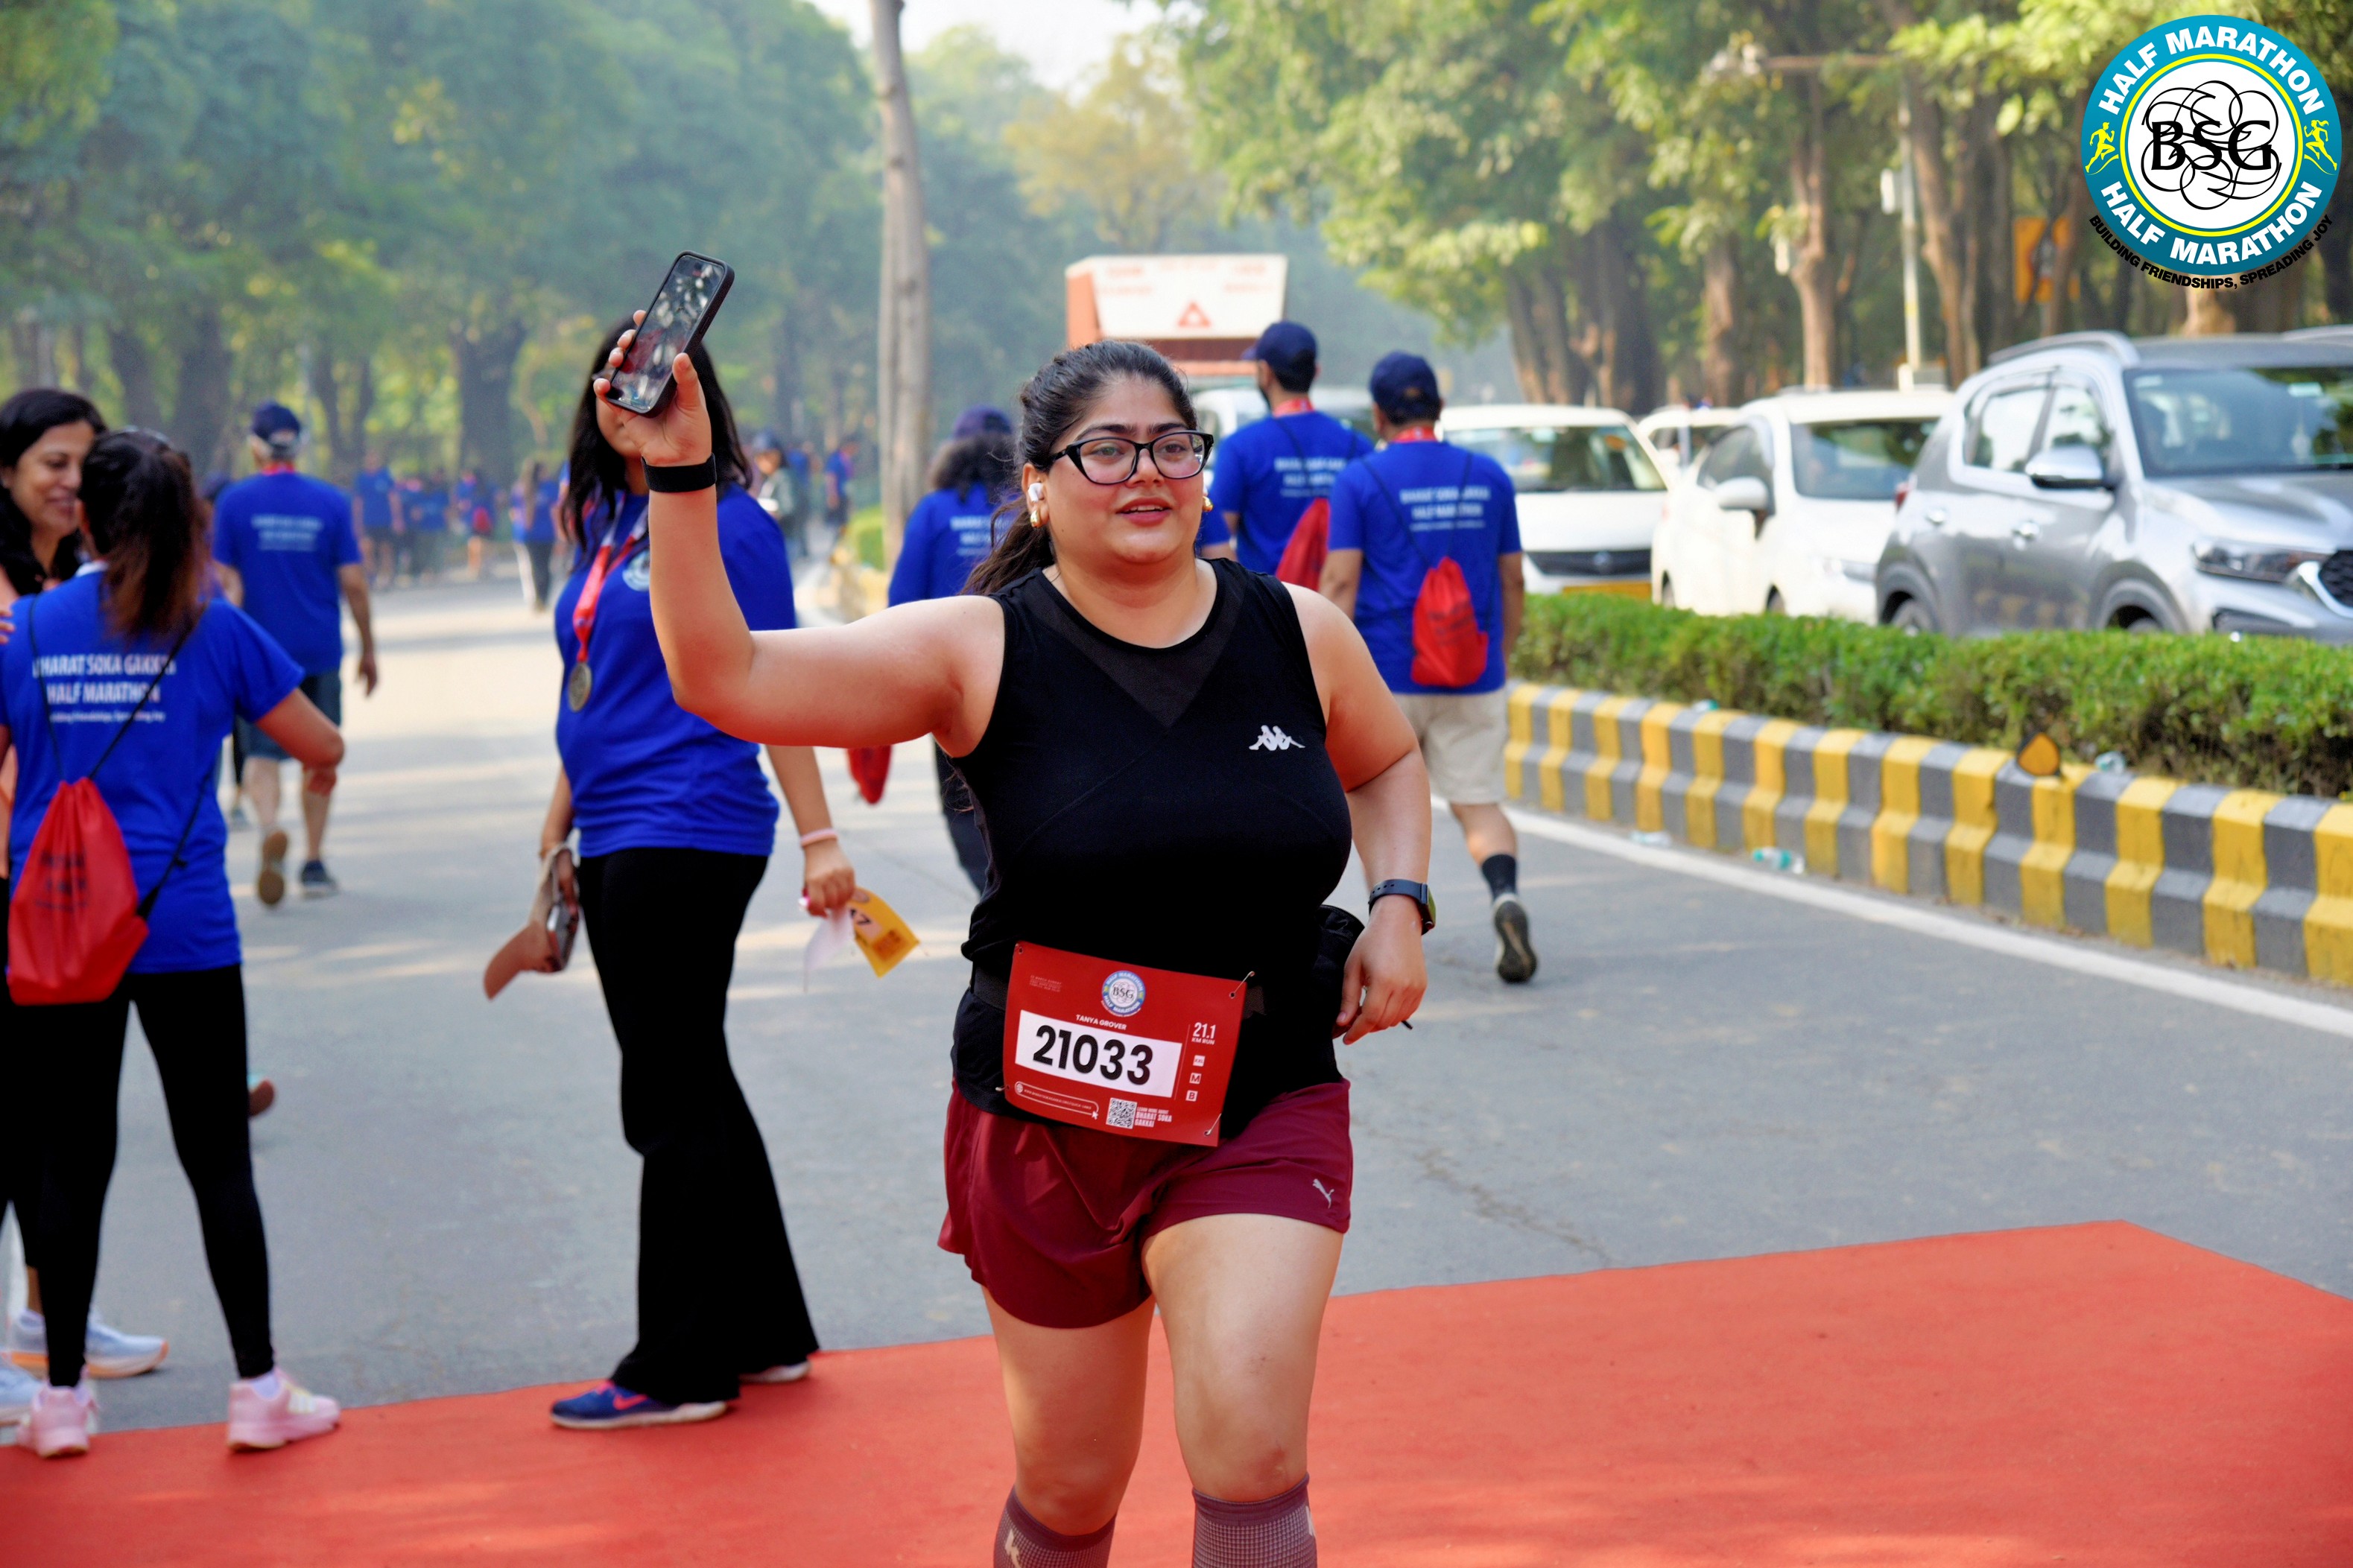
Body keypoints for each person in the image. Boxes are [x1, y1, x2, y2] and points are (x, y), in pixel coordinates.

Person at [624, 329, 1431, 1566]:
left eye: (1171, 445)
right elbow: (722, 676)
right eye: (1105, 450)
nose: (1145, 472)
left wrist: (1399, 903)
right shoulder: (976, 647)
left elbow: (1383, 761)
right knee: (1066, 1488)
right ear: (1040, 486)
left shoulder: (1297, 632)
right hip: (1048, 1121)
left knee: (1251, 1452)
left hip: (1261, 1095)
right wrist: (681, 475)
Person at [4, 428, 347, 1459]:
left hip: (61, 927)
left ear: (88, 519)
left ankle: (60, 1402)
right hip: (183, 924)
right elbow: (320, 742)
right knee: (217, 1161)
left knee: (70, 1163)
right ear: (186, 521)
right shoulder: (214, 627)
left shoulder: (29, 629)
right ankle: (258, 1388)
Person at [539, 323, 853, 1432]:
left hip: (689, 826)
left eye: (655, 378)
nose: (634, 395)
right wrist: (555, 830)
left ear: (690, 395)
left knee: (666, 1094)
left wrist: (821, 840)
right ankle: (762, 1329)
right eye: (619, 377)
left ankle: (679, 1364)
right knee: (695, 1079)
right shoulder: (605, 521)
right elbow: (590, 682)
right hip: (614, 827)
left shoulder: (732, 523)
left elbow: (778, 681)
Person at [0, 390, 172, 1421]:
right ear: (7, 471)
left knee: (44, 1125)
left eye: (85, 464)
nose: (71, 482)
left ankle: (46, 1313)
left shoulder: (58, 581)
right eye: (51, 463)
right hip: (14, 886)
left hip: (54, 891)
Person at [1320, 352, 1536, 984]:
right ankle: (1504, 894)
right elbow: (1514, 577)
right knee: (1479, 802)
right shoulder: (1490, 476)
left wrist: (1323, 671)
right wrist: (1501, 652)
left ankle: (1393, 928)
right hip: (1473, 670)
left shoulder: (1360, 480)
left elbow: (1340, 581)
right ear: (1439, 407)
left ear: (1379, 414)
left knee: (1378, 804)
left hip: (1387, 676)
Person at [211, 403, 379, 904]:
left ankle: (269, 827)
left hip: (258, 655)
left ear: (255, 447)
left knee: (261, 753)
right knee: (317, 755)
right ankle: (314, 861)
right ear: (300, 446)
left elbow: (226, 583)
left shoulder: (234, 503)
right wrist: (369, 649)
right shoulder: (331, 502)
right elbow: (354, 583)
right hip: (318, 651)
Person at [886, 405, 1016, 893]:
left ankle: (994, 894)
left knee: (963, 809)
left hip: (953, 688)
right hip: (1031, 674)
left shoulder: (934, 511)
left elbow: (901, 605)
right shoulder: (1033, 508)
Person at [1197, 323, 1372, 572]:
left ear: (1265, 372)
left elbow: (1219, 541)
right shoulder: (1358, 446)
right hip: (1337, 594)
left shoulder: (1241, 447)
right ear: (1316, 372)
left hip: (1269, 593)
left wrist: (1246, 594)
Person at [514, 460, 560, 612]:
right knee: (544, 567)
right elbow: (555, 511)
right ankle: (542, 598)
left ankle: (538, 599)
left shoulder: (521, 488)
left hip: (530, 534)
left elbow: (514, 513)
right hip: (545, 533)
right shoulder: (548, 488)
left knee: (535, 567)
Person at [352, 452, 397, 588]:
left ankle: (387, 578)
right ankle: (371, 578)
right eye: (369, 459)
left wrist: (397, 518)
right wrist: (357, 522)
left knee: (386, 549)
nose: (371, 461)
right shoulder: (362, 479)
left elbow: (393, 498)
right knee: (367, 550)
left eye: (374, 459)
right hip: (369, 521)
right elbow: (359, 502)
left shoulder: (385, 476)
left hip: (385, 520)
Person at [406, 472, 450, 582]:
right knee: (423, 552)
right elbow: (415, 513)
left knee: (437, 551)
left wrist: (447, 524)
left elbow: (446, 511)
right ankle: (425, 571)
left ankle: (437, 571)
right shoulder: (418, 496)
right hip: (423, 528)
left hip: (437, 527)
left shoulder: (440, 495)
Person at [822, 435, 856, 542]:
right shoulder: (836, 459)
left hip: (845, 495)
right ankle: (839, 543)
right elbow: (831, 477)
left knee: (845, 521)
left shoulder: (846, 460)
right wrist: (832, 495)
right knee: (840, 522)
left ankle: (842, 542)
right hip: (838, 496)